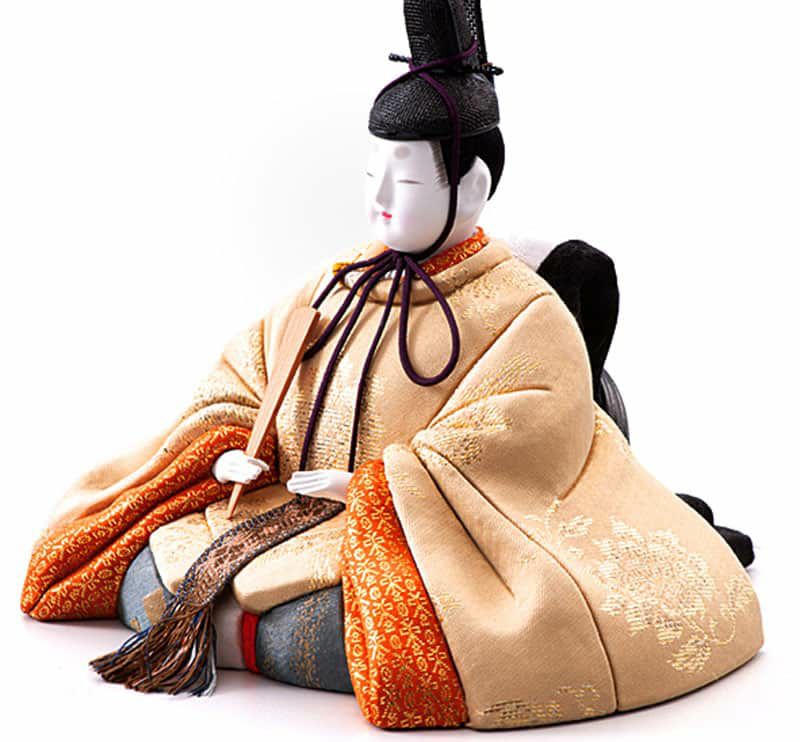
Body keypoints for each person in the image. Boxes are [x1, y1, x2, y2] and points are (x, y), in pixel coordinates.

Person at [22, 0, 762, 731]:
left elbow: (521, 433)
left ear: (472, 188)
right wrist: (231, 447)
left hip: (413, 535)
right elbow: (246, 371)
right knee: (158, 566)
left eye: (403, 184)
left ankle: (243, 636)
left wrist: (371, 488)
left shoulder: (523, 313)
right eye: (371, 173)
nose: (377, 199)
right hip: (276, 504)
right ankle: (238, 630)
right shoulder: (340, 280)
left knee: (354, 627)